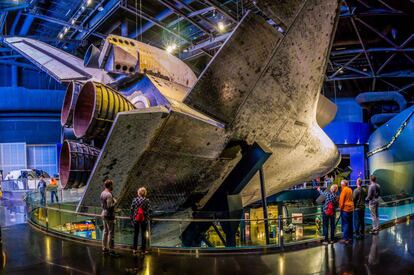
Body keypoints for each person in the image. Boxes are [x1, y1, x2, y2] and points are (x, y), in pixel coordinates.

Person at [130, 187, 151, 255]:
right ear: (145, 193)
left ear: (138, 193)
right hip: (143, 219)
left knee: (135, 234)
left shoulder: (135, 200)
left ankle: (134, 249)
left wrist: (132, 218)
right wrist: (148, 218)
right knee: (143, 235)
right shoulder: (146, 200)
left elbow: (132, 209)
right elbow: (148, 211)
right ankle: (143, 250)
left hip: (136, 219)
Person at [100, 179, 118, 256]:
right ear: (110, 185)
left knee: (105, 231)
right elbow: (109, 206)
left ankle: (104, 248)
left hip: (103, 214)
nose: (112, 186)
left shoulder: (102, 193)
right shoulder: (109, 195)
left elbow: (103, 205)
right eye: (112, 185)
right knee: (111, 233)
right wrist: (115, 202)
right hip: (109, 215)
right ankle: (111, 249)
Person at [339, 179, 354, 244]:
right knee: (350, 223)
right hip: (351, 208)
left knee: (345, 224)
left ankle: (345, 239)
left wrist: (340, 208)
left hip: (345, 209)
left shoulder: (344, 190)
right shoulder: (350, 189)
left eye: (341, 184)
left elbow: (341, 202)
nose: (341, 186)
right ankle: (350, 237)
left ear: (343, 184)